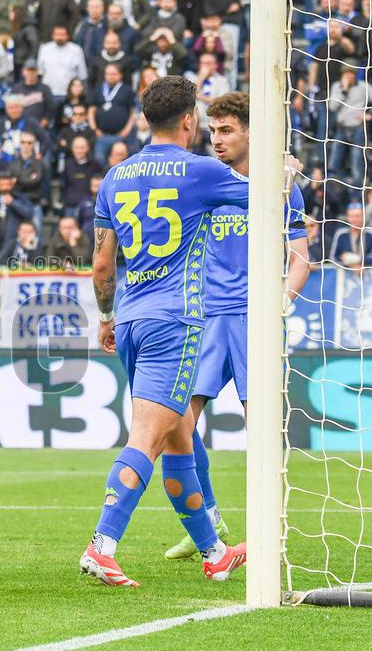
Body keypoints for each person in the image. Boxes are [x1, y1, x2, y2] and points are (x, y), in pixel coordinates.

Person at [81, 76, 277, 587]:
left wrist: (106, 317)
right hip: (179, 321)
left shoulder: (115, 176)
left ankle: (214, 552)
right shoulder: (203, 172)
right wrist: (286, 172)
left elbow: (102, 266)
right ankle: (103, 544)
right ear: (189, 119)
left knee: (178, 435)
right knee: (149, 435)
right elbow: (266, 200)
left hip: (131, 319)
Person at [159, 93, 311, 562]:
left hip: (253, 320)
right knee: (175, 425)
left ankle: (270, 535)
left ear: (250, 132)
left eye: (226, 131)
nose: (216, 139)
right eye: (212, 130)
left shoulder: (280, 185)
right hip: (204, 320)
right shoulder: (206, 179)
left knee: (260, 428)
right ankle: (208, 521)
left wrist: (281, 302)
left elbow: (300, 255)